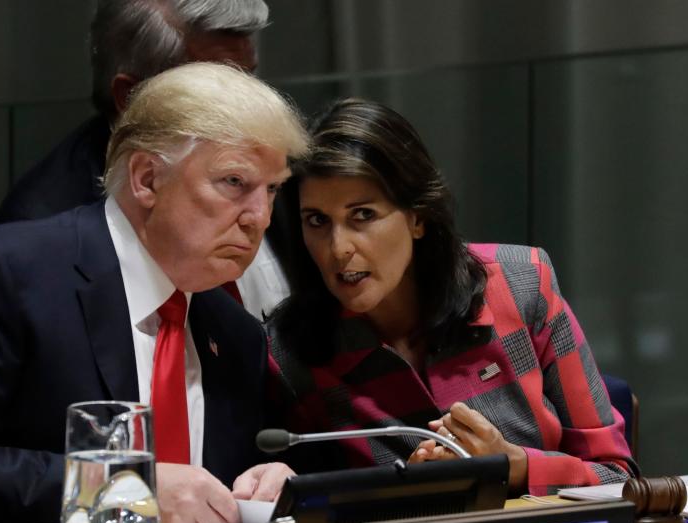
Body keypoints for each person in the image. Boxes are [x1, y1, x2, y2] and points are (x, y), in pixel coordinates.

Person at [0, 62, 309, 523]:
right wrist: (123, 491)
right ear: (147, 178)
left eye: (271, 190)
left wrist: (262, 483)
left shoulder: (234, 332)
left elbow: (199, 496)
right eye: (234, 182)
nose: (260, 218)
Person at [266, 98, 637, 496]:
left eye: (363, 215)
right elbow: (310, 510)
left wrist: (511, 465)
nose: (338, 248)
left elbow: (617, 477)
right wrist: (406, 493)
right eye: (317, 221)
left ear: (418, 218)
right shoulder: (289, 350)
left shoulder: (521, 282)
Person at [0, 0, 290, 319]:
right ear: (132, 98)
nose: (251, 109)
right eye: (220, 90)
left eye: (250, 80)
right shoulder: (44, 230)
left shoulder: (279, 168)